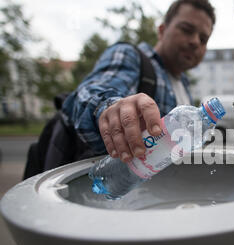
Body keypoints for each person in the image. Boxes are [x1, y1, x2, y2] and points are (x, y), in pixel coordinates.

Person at [62, 0, 215, 164]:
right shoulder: (130, 56)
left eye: (203, 39)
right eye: (187, 30)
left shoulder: (183, 84)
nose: (195, 42)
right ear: (162, 31)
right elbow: (89, 94)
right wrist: (110, 109)